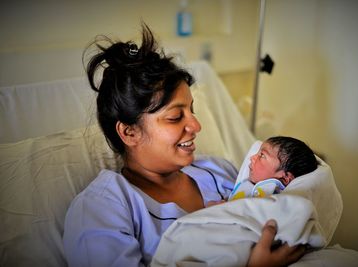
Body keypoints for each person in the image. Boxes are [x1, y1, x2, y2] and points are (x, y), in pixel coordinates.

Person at [62, 23, 305, 267]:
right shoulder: (102, 208)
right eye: (175, 117)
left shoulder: (220, 171)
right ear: (129, 132)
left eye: (192, 111)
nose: (196, 126)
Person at [229, 136, 319, 201]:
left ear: (285, 177)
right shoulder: (247, 184)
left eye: (262, 155)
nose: (252, 158)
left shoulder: (279, 199)